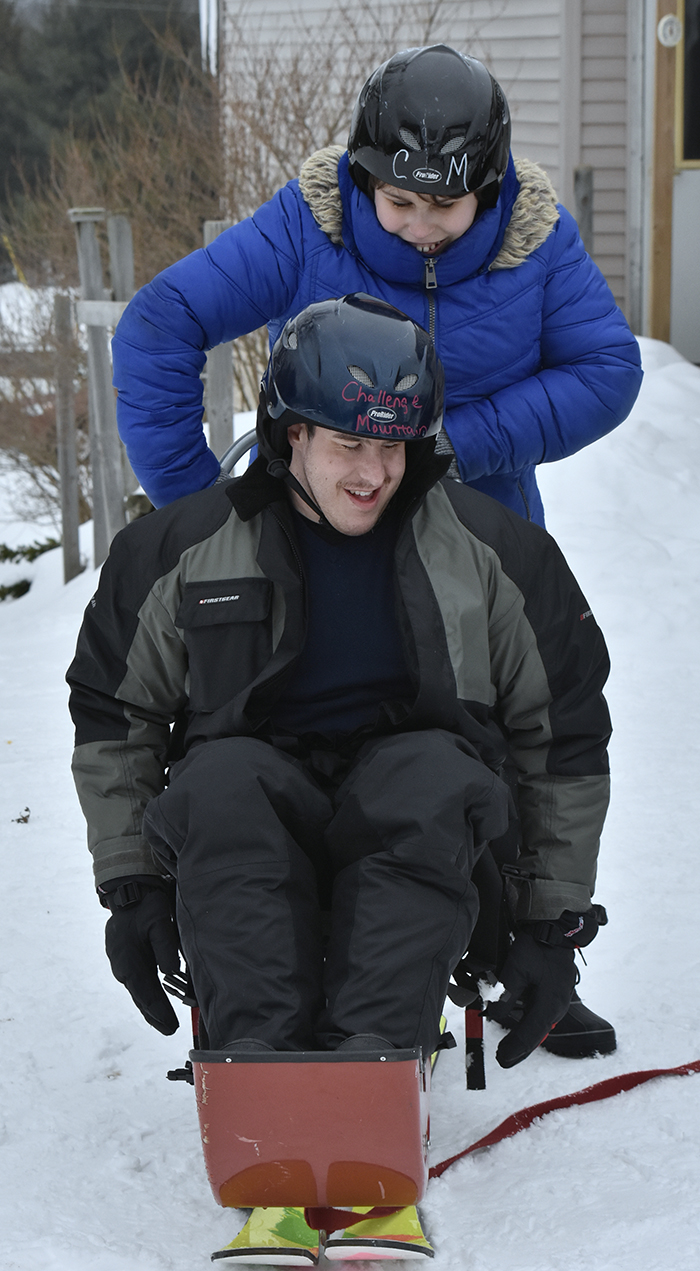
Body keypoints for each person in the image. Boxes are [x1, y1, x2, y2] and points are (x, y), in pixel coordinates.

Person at [69, 295, 612, 1262]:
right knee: (221, 781)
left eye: (394, 448)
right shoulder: (178, 550)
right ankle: (268, 1137)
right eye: (347, 446)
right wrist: (132, 885)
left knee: (429, 776)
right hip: (253, 814)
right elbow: (115, 713)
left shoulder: (496, 555)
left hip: (419, 821)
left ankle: (370, 1132)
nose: (373, 473)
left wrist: (549, 919)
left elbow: (560, 730)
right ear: (289, 436)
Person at [112, 43, 642, 525]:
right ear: (366, 181)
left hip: (482, 543)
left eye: (444, 205)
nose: (420, 227)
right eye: (399, 201)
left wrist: (456, 445)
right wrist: (197, 510)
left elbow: (606, 372)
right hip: (308, 543)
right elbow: (158, 327)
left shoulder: (537, 240)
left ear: (487, 190)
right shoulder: (306, 227)